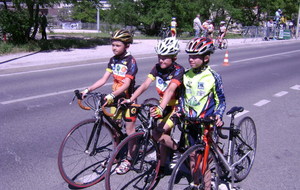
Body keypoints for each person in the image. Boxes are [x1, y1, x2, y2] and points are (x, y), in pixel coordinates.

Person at [123, 37, 185, 177]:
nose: (161, 60)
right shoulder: (157, 68)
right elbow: (145, 85)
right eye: (160, 57)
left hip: (176, 107)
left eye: (165, 58)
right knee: (161, 136)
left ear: (174, 57)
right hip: (163, 105)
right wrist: (130, 99)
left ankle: (180, 151)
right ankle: (162, 166)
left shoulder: (178, 70)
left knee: (157, 133)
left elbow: (170, 90)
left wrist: (161, 108)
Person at [81, 29, 138, 173]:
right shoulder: (113, 60)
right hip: (116, 98)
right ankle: (116, 156)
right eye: (113, 45)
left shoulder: (131, 61)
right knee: (115, 130)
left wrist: (112, 95)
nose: (114, 48)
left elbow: (125, 84)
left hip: (129, 99)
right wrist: (88, 90)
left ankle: (129, 159)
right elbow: (103, 79)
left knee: (130, 131)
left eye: (118, 45)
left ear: (127, 46)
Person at [179, 37, 226, 189]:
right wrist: (179, 110)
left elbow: (221, 100)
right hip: (190, 121)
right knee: (192, 155)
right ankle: (196, 182)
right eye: (189, 56)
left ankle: (207, 185)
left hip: (206, 122)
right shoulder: (185, 74)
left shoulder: (213, 76)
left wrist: (218, 115)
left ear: (206, 58)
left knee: (204, 156)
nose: (191, 59)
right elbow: (181, 97)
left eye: (195, 56)